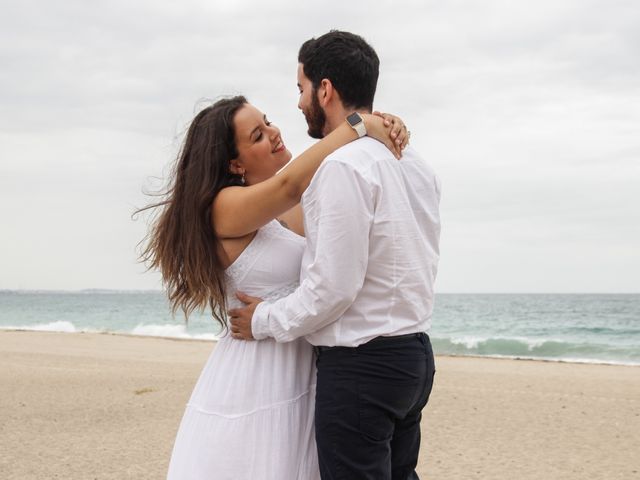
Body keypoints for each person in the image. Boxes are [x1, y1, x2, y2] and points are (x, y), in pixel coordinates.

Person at [138, 94, 409, 479]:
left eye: (267, 122)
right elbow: (289, 184)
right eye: (257, 135)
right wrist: (359, 123)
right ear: (234, 162)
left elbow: (324, 203)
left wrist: (380, 126)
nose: (275, 132)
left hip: (303, 365)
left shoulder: (284, 204)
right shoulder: (225, 206)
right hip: (258, 374)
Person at [229, 31, 441, 480]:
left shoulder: (342, 167)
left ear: (325, 90)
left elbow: (333, 289)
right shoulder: (414, 161)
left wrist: (263, 320)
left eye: (301, 89)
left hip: (362, 367)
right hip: (415, 357)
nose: (299, 102)